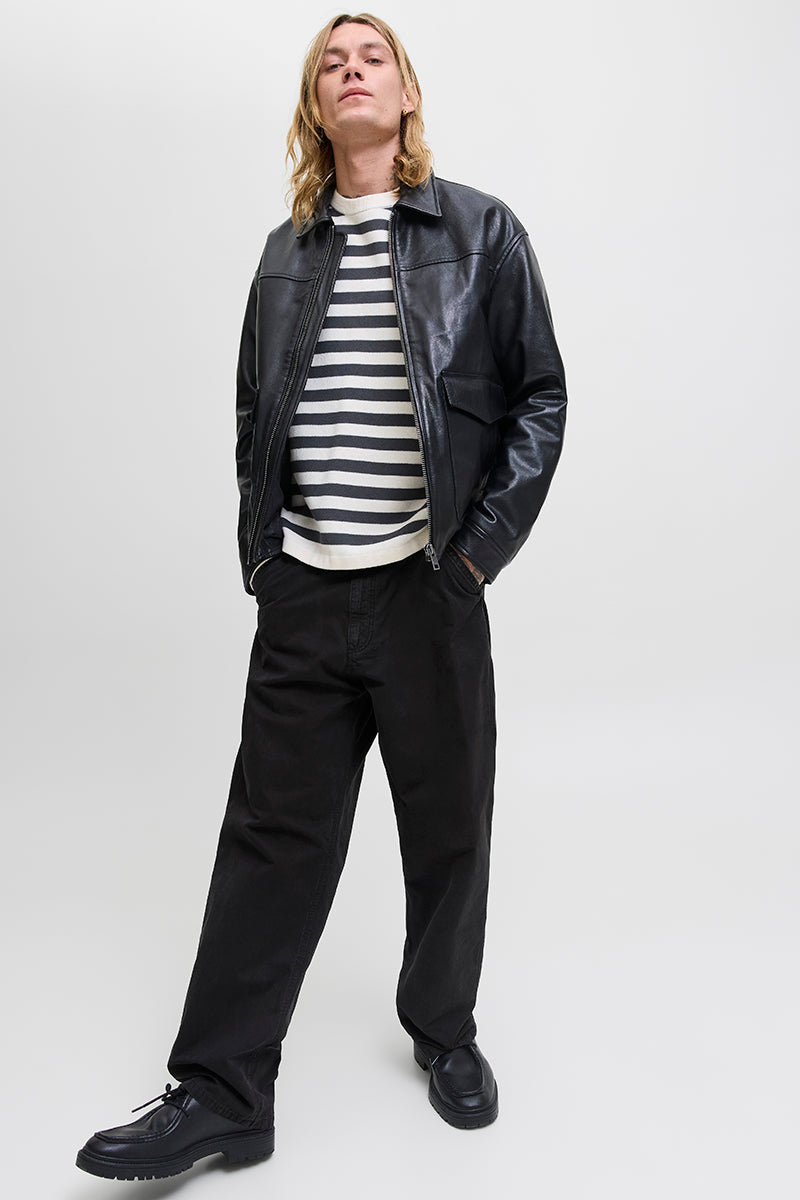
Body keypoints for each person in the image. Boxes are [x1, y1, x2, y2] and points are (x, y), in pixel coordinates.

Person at [76, 10, 567, 1182]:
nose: (352, 72)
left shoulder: (481, 234)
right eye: (330, 64)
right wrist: (264, 560)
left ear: (405, 93)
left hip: (426, 590)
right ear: (315, 105)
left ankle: (441, 1029)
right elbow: (255, 411)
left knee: (446, 828)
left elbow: (540, 397)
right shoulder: (282, 256)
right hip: (304, 593)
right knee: (269, 842)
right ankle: (222, 1094)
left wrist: (472, 558)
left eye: (371, 57)